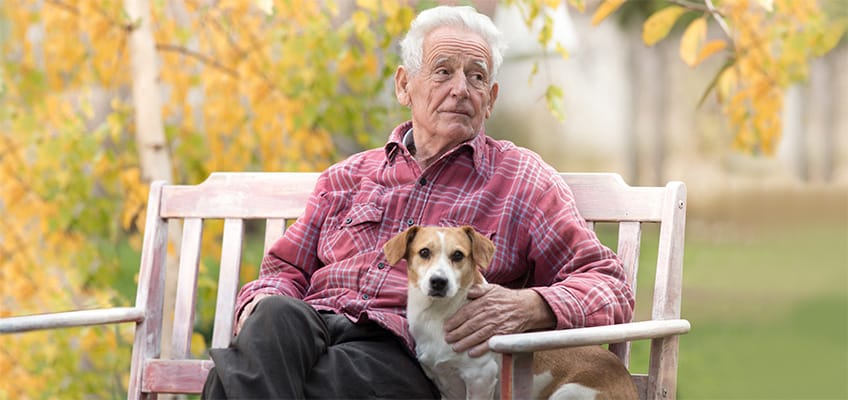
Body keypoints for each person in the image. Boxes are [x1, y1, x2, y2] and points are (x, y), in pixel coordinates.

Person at [202, 5, 634, 399]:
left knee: (233, 378)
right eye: (443, 71)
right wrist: (261, 307)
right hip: (310, 328)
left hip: (401, 349)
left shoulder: (521, 180)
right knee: (274, 318)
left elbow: (609, 285)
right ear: (405, 86)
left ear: (491, 99)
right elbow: (285, 271)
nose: (461, 89)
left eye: (477, 76)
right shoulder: (346, 177)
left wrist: (532, 306)